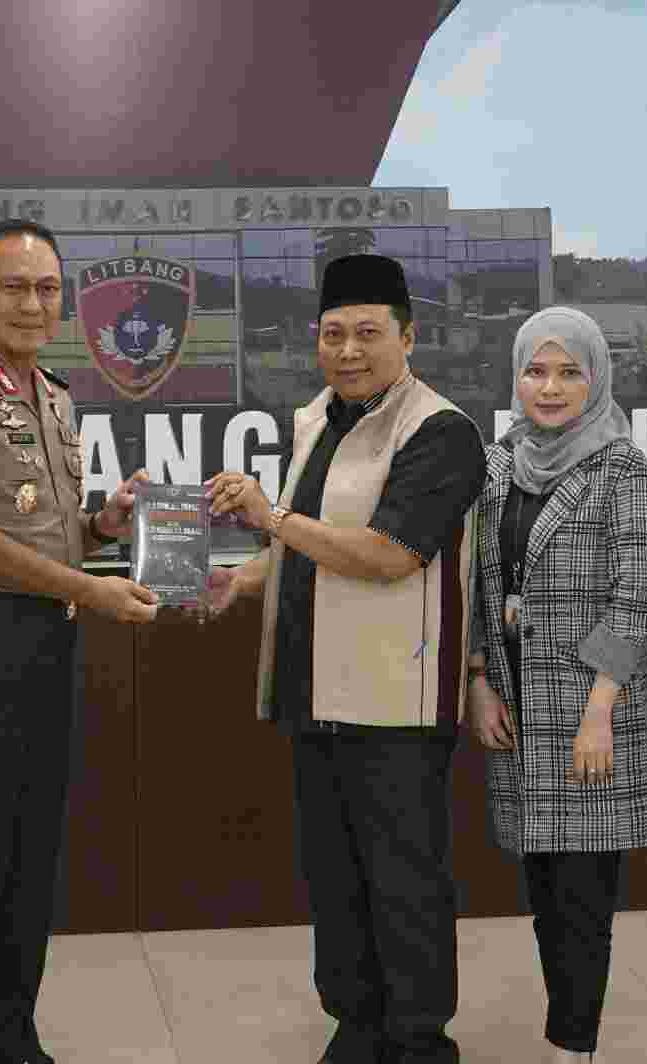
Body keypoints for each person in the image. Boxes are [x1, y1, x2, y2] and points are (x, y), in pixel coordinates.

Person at [204, 254, 486, 1064]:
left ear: (409, 337)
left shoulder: (441, 431)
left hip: (395, 700)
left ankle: (419, 1041)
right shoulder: (318, 418)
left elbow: (390, 553)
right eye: (333, 334)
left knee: (405, 884)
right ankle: (358, 1024)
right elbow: (311, 543)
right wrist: (245, 577)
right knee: (335, 879)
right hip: (313, 691)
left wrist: (271, 516)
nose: (349, 350)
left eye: (368, 333)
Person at [0, 218, 160, 1064]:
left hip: (45, 645)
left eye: (47, 288)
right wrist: (90, 589)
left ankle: (12, 1039)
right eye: (13, 287)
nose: (32, 304)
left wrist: (103, 525)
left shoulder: (52, 395)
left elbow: (46, 537)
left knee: (27, 862)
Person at [463, 307, 647, 1064]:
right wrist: (479, 680)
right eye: (536, 371)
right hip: (519, 708)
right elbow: (476, 583)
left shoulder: (622, 466)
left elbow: (635, 596)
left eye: (569, 372)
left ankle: (571, 1046)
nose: (549, 388)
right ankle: (568, 1034)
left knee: (583, 899)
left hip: (591, 714)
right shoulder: (497, 465)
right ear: (516, 377)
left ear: (595, 379)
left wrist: (598, 712)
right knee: (546, 894)